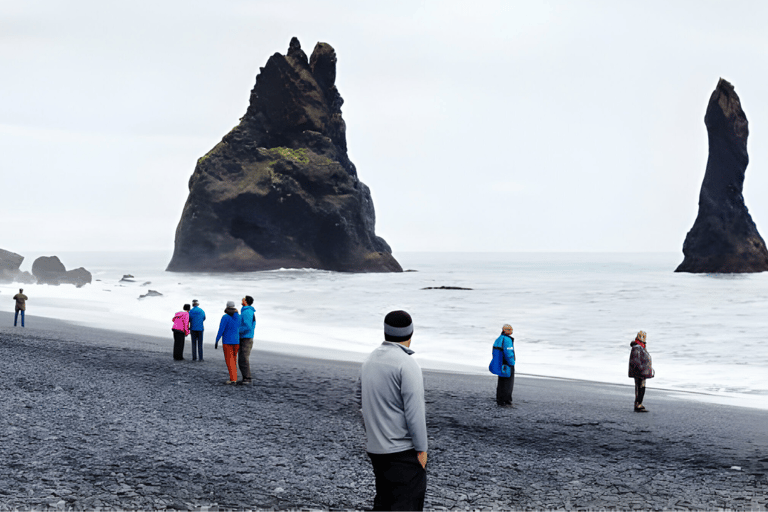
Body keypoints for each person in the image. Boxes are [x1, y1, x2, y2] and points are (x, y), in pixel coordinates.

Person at [359, 310, 427, 510]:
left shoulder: (369, 360)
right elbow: (415, 414)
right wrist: (422, 450)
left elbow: (359, 403)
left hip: (376, 449)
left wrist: (373, 433)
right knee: (406, 503)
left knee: (384, 501)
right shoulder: (407, 364)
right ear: (411, 333)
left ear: (386, 332)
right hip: (401, 452)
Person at [215, 301, 241, 384]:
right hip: (237, 341)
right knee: (234, 359)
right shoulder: (239, 317)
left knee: (229, 360)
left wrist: (217, 340)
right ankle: (234, 377)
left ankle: (233, 379)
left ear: (227, 307)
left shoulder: (225, 317)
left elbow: (221, 329)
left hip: (227, 341)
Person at [489, 324, 515, 406]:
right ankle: (506, 400)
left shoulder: (499, 339)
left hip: (500, 364)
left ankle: (499, 398)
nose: (511, 331)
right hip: (507, 364)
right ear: (506, 330)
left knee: (501, 382)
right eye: (510, 330)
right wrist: (512, 363)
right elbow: (508, 353)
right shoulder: (507, 340)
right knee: (508, 383)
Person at [628, 330, 655, 412]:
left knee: (640, 387)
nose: (644, 338)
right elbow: (636, 361)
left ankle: (639, 403)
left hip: (641, 371)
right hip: (639, 371)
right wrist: (642, 369)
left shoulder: (640, 347)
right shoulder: (637, 347)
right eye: (642, 336)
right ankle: (638, 404)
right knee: (639, 387)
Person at [237, 295, 256, 385]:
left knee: (243, 358)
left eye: (243, 299)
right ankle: (245, 377)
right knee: (242, 358)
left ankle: (247, 378)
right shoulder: (246, 311)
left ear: (246, 301)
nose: (242, 300)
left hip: (246, 337)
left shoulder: (247, 312)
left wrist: (237, 331)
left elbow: (247, 326)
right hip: (245, 337)